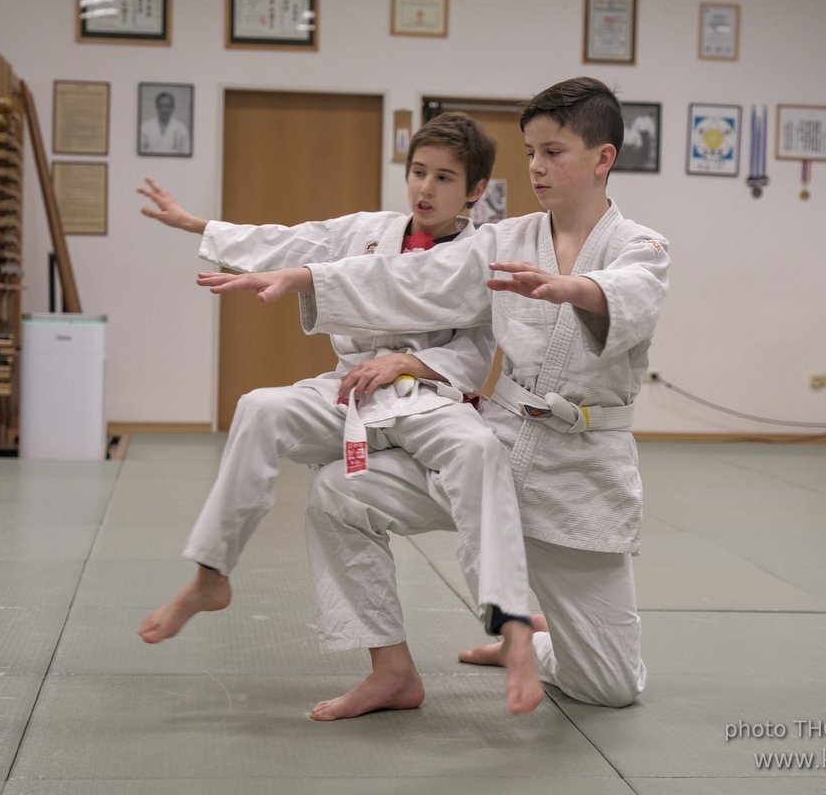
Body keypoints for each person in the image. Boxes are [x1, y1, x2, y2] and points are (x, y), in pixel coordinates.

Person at [197, 77, 670, 721]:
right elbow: (412, 276)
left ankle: (539, 641)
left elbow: (636, 291)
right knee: (341, 493)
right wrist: (304, 274)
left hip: (579, 473)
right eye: (531, 151)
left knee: (612, 687)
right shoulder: (504, 241)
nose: (536, 166)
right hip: (500, 446)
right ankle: (390, 669)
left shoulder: (639, 244)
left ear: (602, 158)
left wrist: (576, 289)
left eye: (553, 151)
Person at [135, 112, 544, 717]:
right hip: (349, 392)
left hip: (430, 399)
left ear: (476, 190)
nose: (426, 189)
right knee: (259, 407)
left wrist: (409, 361)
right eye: (418, 172)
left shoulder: (485, 250)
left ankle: (510, 619)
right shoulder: (366, 231)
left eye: (445, 178)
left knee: (480, 452)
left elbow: (475, 349)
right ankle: (212, 572)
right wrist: (198, 224)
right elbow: (286, 241)